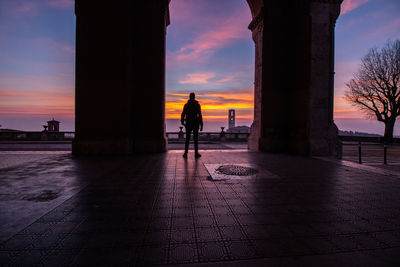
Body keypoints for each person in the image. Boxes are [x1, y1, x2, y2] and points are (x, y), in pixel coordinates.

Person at [181, 92, 203, 158]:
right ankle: (196, 153)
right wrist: (201, 124)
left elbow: (183, 113)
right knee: (195, 139)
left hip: (188, 123)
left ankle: (185, 153)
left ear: (189, 97)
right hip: (195, 123)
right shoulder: (197, 105)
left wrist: (182, 121)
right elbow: (199, 115)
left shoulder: (186, 105)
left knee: (187, 138)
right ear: (194, 97)